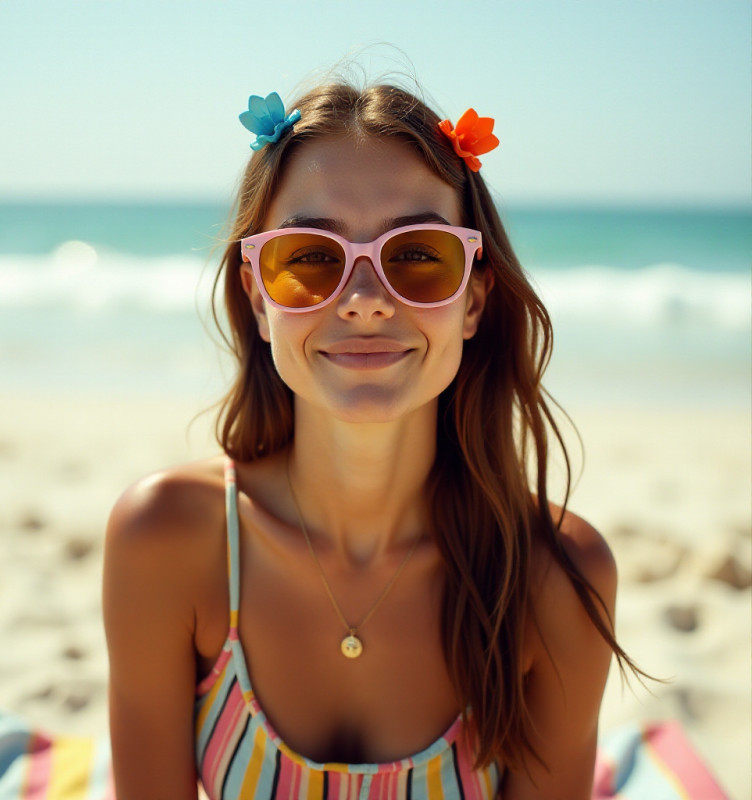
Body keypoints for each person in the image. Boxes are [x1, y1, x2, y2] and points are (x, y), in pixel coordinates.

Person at [102, 81, 645, 800]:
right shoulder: (169, 539)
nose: (364, 297)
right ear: (258, 297)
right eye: (312, 258)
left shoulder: (554, 578)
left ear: (475, 299)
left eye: (419, 256)